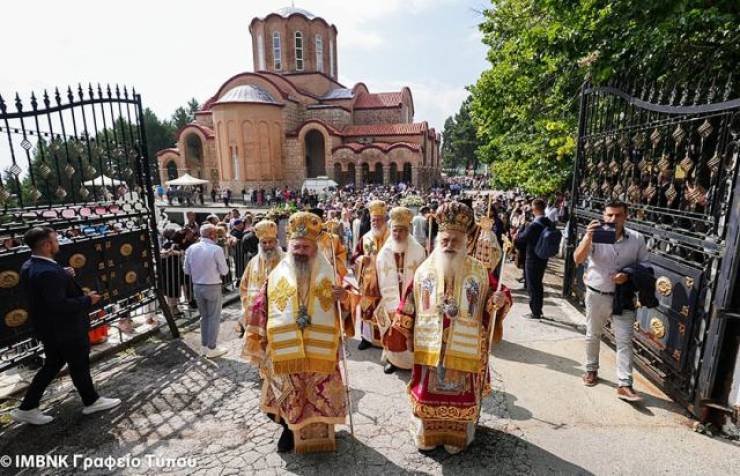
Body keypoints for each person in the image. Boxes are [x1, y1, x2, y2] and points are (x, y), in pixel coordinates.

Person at [395, 202, 511, 453]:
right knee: (429, 394)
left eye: (455, 241)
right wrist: (406, 334)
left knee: (460, 395)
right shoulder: (425, 269)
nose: (449, 245)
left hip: (464, 346)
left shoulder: (479, 271)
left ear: (466, 242)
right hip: (431, 346)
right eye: (445, 240)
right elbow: (408, 303)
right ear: (439, 239)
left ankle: (457, 437)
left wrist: (498, 301)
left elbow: (496, 296)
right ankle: (428, 436)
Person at [244, 211, 352, 453]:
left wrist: (344, 298)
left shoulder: (329, 273)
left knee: (320, 392)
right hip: (285, 349)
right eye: (296, 246)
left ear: (314, 248)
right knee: (290, 393)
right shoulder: (276, 275)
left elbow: (345, 307)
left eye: (305, 247)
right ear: (289, 246)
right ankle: (288, 429)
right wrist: (257, 339)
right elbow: (260, 305)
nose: (300, 251)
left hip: (320, 350)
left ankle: (325, 429)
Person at [10, 227, 121, 425]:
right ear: (46, 245)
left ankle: (27, 407)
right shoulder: (47, 272)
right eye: (55, 240)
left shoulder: (30, 265)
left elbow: (45, 291)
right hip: (65, 329)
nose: (58, 242)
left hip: (50, 329)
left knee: (52, 366)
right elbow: (58, 305)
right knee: (78, 364)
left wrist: (62, 273)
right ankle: (91, 401)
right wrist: (87, 300)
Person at [573, 199, 649, 402]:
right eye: (609, 215)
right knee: (593, 334)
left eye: (618, 215)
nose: (613, 219)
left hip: (622, 296)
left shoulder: (636, 238)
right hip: (597, 293)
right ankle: (591, 370)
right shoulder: (596, 235)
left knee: (624, 340)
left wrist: (628, 275)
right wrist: (588, 237)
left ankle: (624, 384)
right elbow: (577, 259)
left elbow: (645, 267)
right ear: (604, 215)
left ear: (626, 216)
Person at [375, 207, 426, 373]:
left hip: (411, 301)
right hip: (389, 300)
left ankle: (412, 363)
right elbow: (377, 277)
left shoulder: (419, 250)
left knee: (410, 332)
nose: (398, 234)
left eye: (402, 231)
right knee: (392, 332)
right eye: (395, 231)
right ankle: (392, 361)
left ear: (408, 230)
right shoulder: (384, 252)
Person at [183, 223, 229, 358]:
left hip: (197, 285)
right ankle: (211, 347)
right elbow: (225, 271)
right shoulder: (216, 249)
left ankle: (204, 347)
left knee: (204, 317)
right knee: (213, 317)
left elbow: (186, 270)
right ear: (212, 235)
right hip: (212, 285)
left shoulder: (191, 248)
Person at [351, 200, 389, 350]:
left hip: (386, 282)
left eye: (379, 220)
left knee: (385, 310)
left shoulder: (392, 237)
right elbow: (354, 256)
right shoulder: (365, 238)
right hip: (368, 282)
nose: (376, 223)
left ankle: (386, 340)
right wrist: (361, 259)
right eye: (373, 220)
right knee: (367, 310)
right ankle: (366, 339)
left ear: (385, 220)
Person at [237, 220, 284, 338]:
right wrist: (249, 303)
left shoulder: (286, 259)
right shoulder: (253, 263)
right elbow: (244, 286)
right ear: (259, 244)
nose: (267, 246)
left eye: (270, 242)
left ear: (276, 242)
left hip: (280, 309)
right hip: (258, 310)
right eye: (264, 242)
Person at [514, 199, 551, 320]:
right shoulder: (549, 222)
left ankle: (535, 312)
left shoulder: (534, 225)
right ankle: (538, 310)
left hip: (532, 258)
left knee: (532, 285)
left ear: (534, 209)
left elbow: (520, 241)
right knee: (538, 284)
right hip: (543, 257)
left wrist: (516, 236)